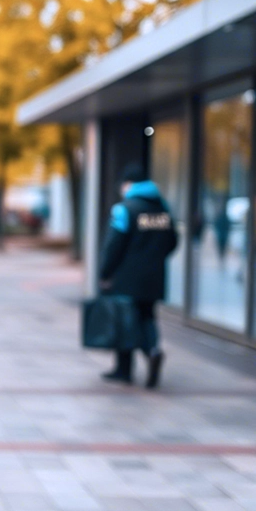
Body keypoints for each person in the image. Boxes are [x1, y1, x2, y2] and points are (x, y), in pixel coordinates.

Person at [99, 165, 179, 388]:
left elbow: (114, 245)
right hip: (154, 277)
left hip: (126, 277)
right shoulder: (162, 210)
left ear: (129, 185)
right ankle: (152, 351)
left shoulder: (124, 209)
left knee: (125, 320)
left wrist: (105, 272)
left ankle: (123, 371)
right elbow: (172, 241)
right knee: (147, 317)